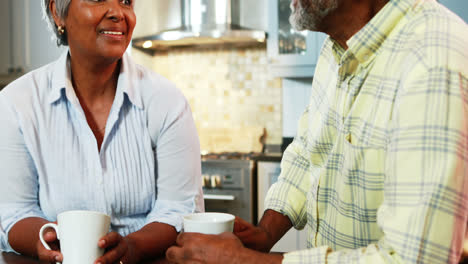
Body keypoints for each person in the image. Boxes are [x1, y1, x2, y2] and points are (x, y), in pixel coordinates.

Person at [166, 0, 468, 263]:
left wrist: (243, 260)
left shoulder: (433, 57)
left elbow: (414, 258)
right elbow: (308, 151)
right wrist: (265, 233)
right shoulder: (335, 49)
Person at [0, 0, 204, 263]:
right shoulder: (16, 103)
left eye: (126, 1)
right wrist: (46, 241)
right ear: (57, 12)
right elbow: (13, 211)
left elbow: (179, 210)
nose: (118, 13)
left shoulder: (167, 101)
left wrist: (131, 248)